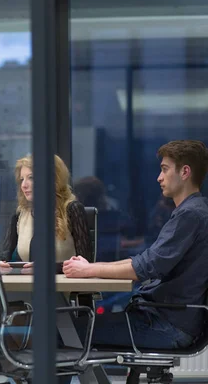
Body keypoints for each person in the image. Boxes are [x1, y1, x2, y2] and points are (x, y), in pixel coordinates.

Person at [64, 140, 208, 349]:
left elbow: (145, 267)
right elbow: (144, 261)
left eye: (165, 170)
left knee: (62, 331)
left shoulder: (190, 215)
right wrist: (87, 268)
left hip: (165, 326)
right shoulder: (194, 211)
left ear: (185, 172)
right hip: (163, 319)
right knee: (66, 329)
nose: (159, 177)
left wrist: (88, 269)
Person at [0, 154, 92, 270]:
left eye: (31, 178)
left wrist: (46, 269)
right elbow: (4, 255)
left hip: (66, 286)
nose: (24, 185)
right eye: (22, 179)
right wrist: (0, 264)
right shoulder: (20, 213)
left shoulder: (73, 209)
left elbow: (86, 263)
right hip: (28, 285)